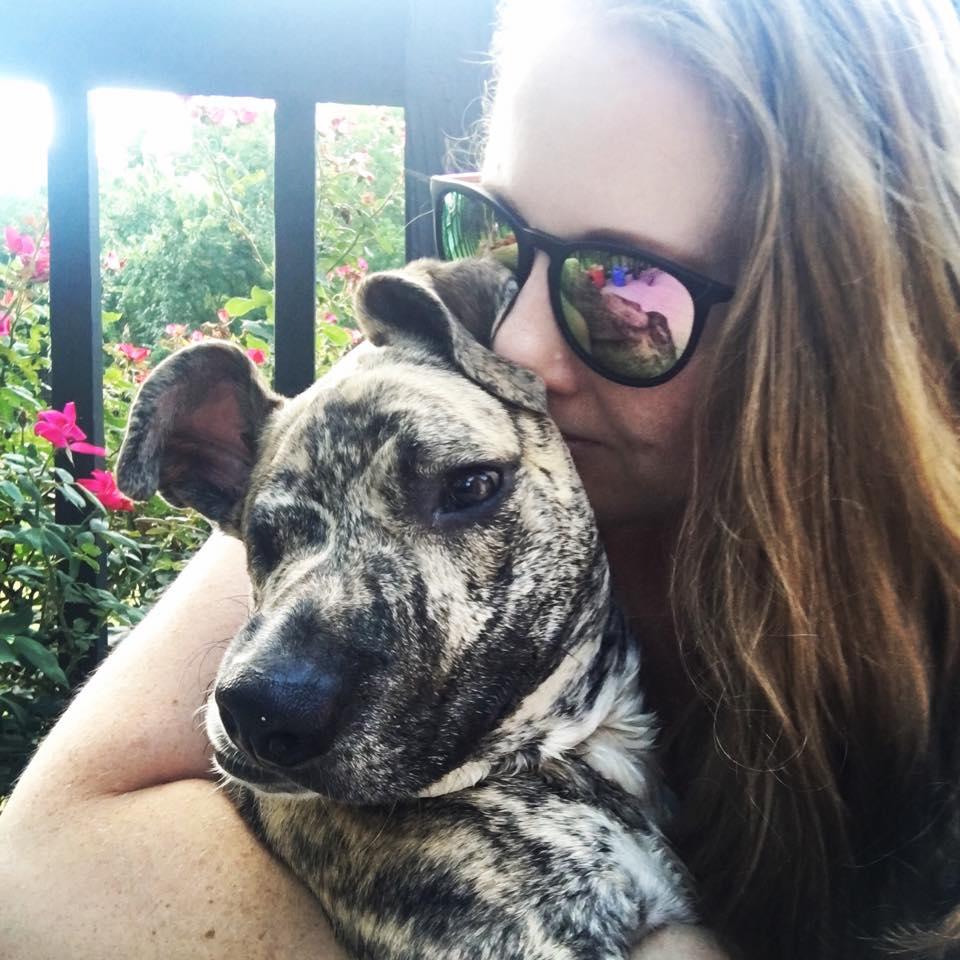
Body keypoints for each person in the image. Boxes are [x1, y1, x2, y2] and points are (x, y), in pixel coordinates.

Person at [2, 0, 959, 957]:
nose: (520, 345)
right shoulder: (448, 369)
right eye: (500, 235)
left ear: (839, 336)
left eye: (624, 285)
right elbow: (50, 857)